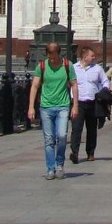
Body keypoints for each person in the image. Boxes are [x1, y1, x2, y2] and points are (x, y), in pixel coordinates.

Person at [27, 42, 78, 179]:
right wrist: (31, 107)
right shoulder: (42, 66)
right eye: (50, 57)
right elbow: (34, 86)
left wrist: (75, 105)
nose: (52, 60)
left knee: (61, 136)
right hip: (46, 107)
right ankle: (50, 169)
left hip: (63, 106)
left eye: (54, 56)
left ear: (59, 54)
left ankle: (60, 164)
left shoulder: (68, 65)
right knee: (49, 139)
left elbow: (74, 85)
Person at [69, 45, 109, 164]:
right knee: (76, 128)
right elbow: (68, 82)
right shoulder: (73, 68)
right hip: (78, 102)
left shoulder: (97, 68)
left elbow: (105, 81)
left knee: (92, 129)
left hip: (93, 102)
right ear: (85, 57)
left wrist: (104, 91)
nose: (94, 57)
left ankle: (90, 153)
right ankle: (74, 152)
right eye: (92, 56)